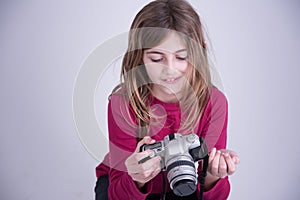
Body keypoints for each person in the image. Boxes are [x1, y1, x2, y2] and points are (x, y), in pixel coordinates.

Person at [95, 0, 240, 199]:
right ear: (139, 56)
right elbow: (116, 194)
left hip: (184, 186)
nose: (169, 69)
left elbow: (214, 197)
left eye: (182, 57)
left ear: (199, 52)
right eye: (156, 58)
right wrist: (137, 177)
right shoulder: (123, 102)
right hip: (127, 187)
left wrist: (213, 176)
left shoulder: (214, 103)